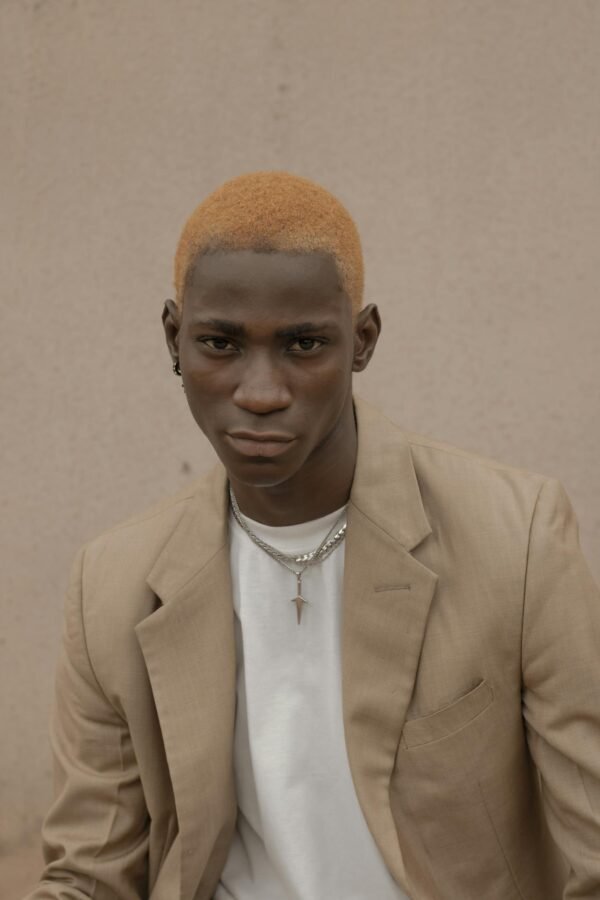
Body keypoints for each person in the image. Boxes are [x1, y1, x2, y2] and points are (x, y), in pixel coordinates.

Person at [27, 171, 600, 899]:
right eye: (220, 344)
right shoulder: (112, 585)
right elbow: (88, 875)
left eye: (303, 345)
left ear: (361, 342)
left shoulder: (516, 541)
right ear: (174, 338)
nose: (261, 392)